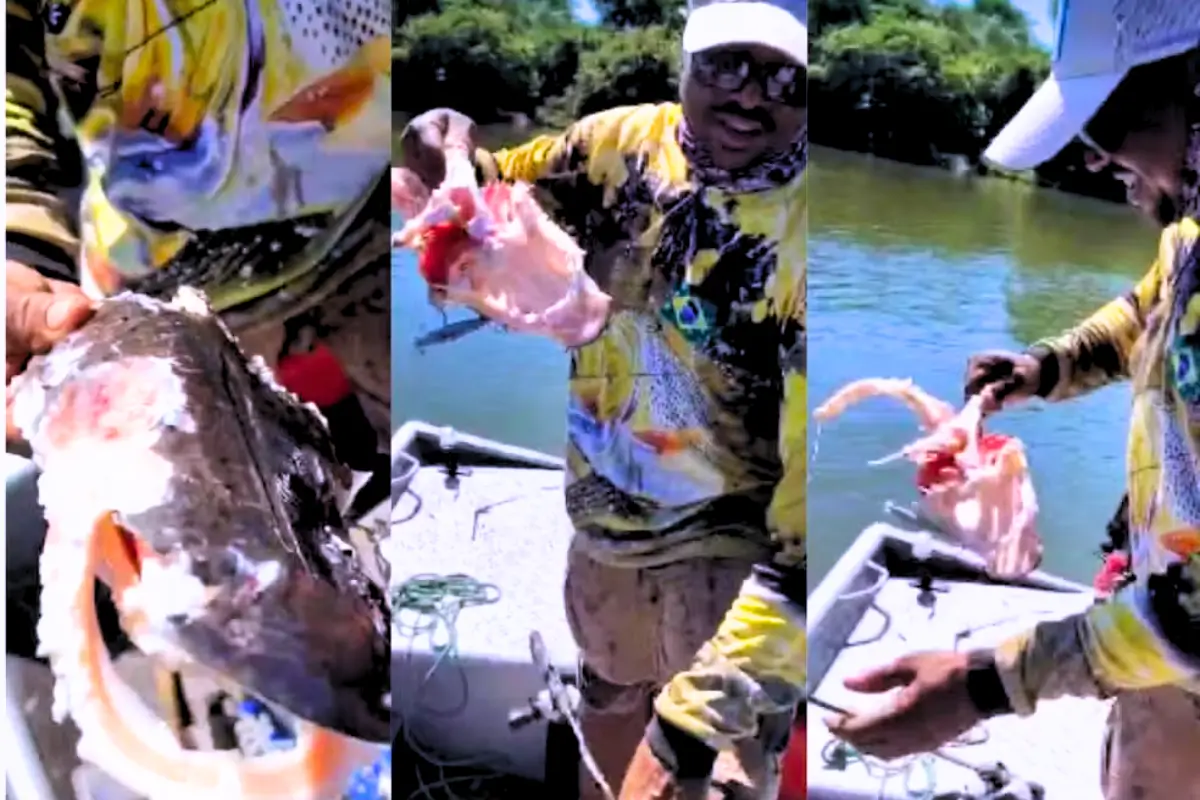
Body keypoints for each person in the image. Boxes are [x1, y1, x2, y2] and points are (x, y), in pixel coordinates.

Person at [398, 1, 807, 797]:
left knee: (718, 767)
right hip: (606, 518)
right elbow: (488, 196)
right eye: (728, 65)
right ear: (685, 62)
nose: (752, 95)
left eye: (784, 77)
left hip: (738, 547)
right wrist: (443, 146)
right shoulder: (617, 143)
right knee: (609, 696)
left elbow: (804, 527)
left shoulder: (810, 235)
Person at [5, 0, 393, 788]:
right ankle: (206, 699)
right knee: (200, 597)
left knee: (363, 521)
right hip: (162, 289)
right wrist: (14, 247)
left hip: (374, 247)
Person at [826, 5, 1200, 799]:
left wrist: (976, 687)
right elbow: (1150, 311)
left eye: (1109, 125)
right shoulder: (1191, 234)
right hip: (1158, 653)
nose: (1095, 162)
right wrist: (1044, 367)